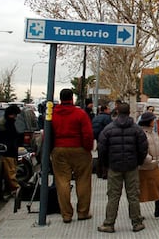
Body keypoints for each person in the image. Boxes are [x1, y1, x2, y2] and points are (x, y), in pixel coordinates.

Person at [97, 103, 148, 233]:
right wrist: (138, 162)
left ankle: (109, 223)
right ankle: (136, 222)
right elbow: (143, 148)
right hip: (131, 166)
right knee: (133, 195)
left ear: (117, 112)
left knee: (113, 196)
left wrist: (106, 164)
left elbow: (101, 149)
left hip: (114, 167)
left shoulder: (108, 129)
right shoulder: (137, 130)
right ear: (129, 112)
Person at [51, 89, 94, 223]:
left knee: (62, 181)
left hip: (59, 148)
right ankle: (82, 212)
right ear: (72, 99)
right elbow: (87, 133)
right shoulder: (80, 114)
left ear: (60, 98)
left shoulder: (53, 114)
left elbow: (48, 133)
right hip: (79, 149)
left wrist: (52, 149)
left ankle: (66, 214)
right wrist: (88, 148)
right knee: (83, 180)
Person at [138, 111, 159, 217]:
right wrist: (149, 160)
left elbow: (158, 144)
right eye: (153, 120)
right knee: (141, 190)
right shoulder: (141, 133)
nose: (154, 122)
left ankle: (158, 209)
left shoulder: (153, 132)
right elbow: (141, 150)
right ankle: (136, 213)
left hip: (155, 164)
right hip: (144, 166)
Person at [0, 105, 21, 201]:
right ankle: (15, 189)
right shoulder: (7, 123)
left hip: (7, 150)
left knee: (9, 172)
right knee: (10, 172)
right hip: (8, 151)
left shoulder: (4, 121)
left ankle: (10, 190)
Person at [92, 105, 112, 179]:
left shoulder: (96, 117)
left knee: (100, 156)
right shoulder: (107, 118)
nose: (109, 110)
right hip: (106, 139)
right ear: (105, 110)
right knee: (106, 156)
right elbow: (110, 128)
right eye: (108, 109)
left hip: (98, 139)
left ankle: (99, 172)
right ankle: (105, 173)